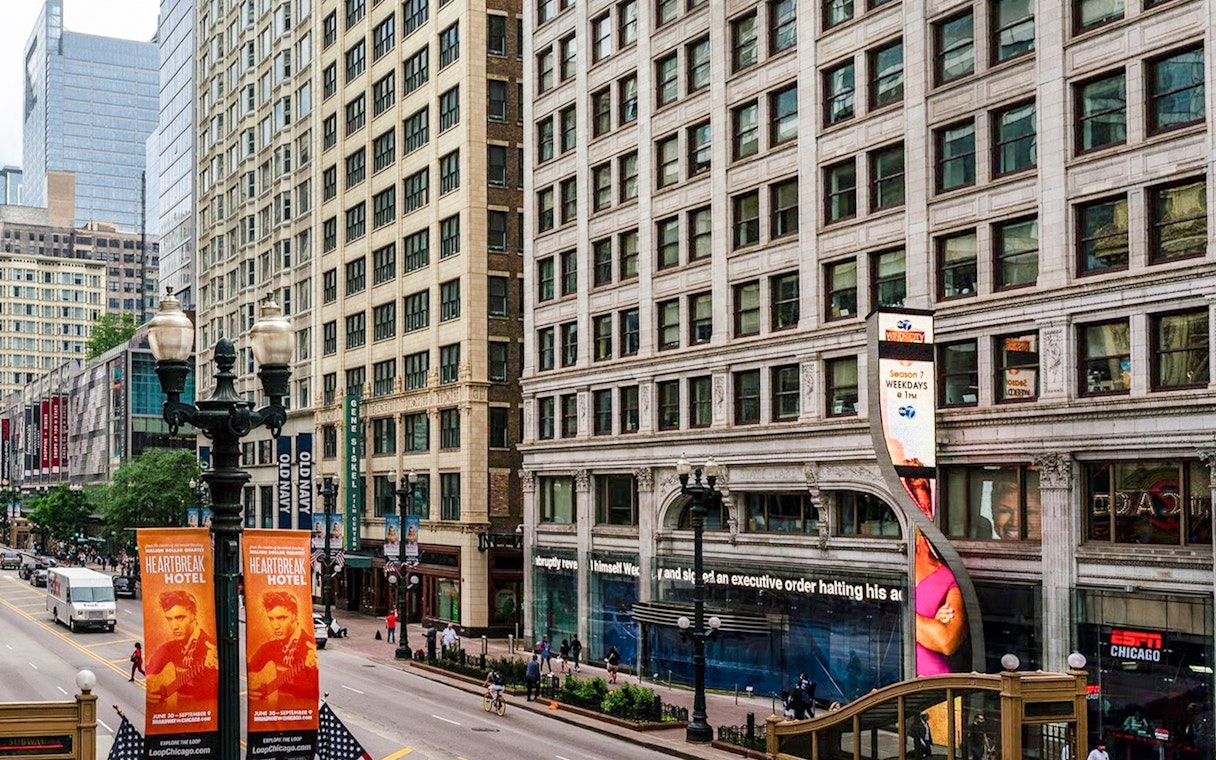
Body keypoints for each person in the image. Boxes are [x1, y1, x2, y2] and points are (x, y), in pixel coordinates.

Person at [145, 591, 219, 709]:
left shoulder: (211, 648)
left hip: (202, 717)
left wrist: (215, 669)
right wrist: (150, 689)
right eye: (169, 619)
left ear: (193, 615)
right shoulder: (167, 649)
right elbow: (149, 672)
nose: (174, 626)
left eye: (180, 618)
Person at [247, 591, 319, 710]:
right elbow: (251, 672)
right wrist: (253, 688)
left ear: (294, 616)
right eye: (271, 619)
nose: (276, 626)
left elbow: (310, 692)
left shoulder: (308, 647)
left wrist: (311, 670)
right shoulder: (267, 648)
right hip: (271, 718)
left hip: (298, 716)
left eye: (281, 618)